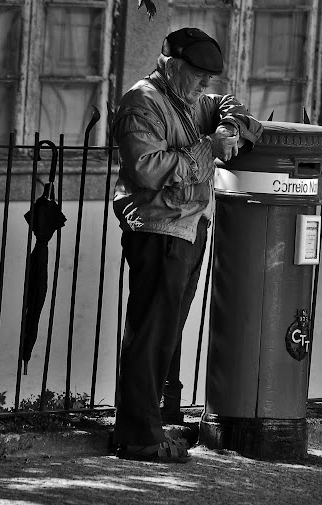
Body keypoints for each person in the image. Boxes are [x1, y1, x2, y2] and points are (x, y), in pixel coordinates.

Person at [111, 27, 263, 463]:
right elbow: (145, 168)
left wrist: (231, 125)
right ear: (172, 66)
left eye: (207, 80)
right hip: (157, 230)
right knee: (150, 334)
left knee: (164, 335)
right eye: (198, 76)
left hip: (189, 228)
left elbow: (229, 105)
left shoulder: (189, 99)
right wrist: (209, 148)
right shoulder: (143, 102)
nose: (204, 86)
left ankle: (145, 428)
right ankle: (139, 436)